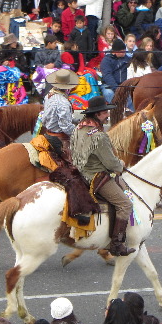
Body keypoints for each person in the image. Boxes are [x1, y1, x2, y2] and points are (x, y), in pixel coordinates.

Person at [70, 96, 134, 256]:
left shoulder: (78, 129)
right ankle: (117, 244)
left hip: (78, 172)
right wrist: (121, 165)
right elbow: (111, 164)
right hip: (94, 176)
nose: (107, 115)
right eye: (105, 112)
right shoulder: (99, 136)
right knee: (125, 204)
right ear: (97, 114)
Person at [42, 69, 78, 156]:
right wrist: (79, 132)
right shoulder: (63, 103)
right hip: (59, 138)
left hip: (48, 133)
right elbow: (65, 127)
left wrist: (74, 120)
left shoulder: (49, 95)